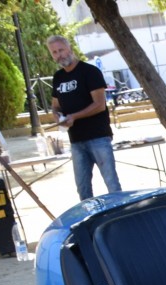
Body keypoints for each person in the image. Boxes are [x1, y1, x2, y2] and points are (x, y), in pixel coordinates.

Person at [47, 35, 122, 200]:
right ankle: (90, 223)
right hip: (75, 140)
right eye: (54, 52)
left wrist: (75, 116)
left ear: (70, 49)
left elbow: (100, 104)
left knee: (112, 185)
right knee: (83, 189)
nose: (59, 55)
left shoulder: (90, 72)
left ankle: (122, 219)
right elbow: (55, 105)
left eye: (61, 50)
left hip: (98, 137)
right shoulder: (58, 77)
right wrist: (57, 116)